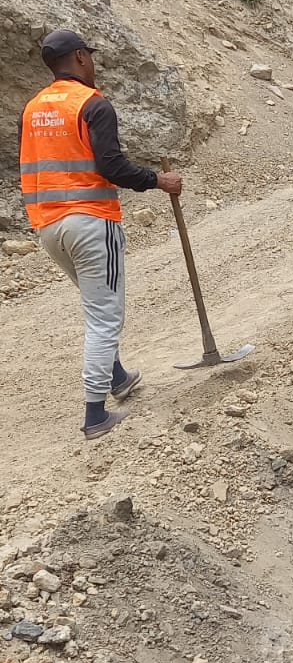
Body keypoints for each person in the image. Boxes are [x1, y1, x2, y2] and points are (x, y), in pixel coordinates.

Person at [19, 29, 182, 440]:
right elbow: (112, 166)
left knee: (95, 305)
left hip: (48, 226)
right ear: (79, 57)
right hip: (90, 221)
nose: (92, 63)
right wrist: (158, 180)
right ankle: (95, 414)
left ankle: (118, 377)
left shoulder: (32, 109)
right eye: (89, 56)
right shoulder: (92, 103)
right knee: (105, 317)